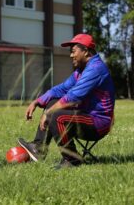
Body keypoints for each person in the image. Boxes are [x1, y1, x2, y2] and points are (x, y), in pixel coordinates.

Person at [18, 34, 115, 168]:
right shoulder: (82, 70)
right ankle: (38, 147)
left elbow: (73, 98)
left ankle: (72, 159)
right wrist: (38, 101)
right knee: (53, 102)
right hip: (85, 115)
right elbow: (62, 89)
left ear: (85, 51)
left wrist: (48, 113)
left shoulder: (95, 69)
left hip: (99, 123)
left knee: (56, 115)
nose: (70, 55)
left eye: (73, 51)